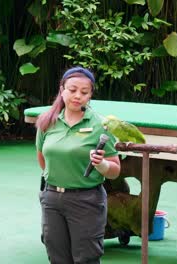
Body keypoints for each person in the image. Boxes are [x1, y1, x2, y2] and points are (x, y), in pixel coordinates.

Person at [35, 66, 121, 264]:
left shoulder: (100, 125)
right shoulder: (47, 122)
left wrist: (102, 166)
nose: (77, 96)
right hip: (52, 198)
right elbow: (42, 159)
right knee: (57, 256)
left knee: (86, 258)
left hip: (87, 200)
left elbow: (115, 170)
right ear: (62, 90)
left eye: (84, 92)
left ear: (90, 95)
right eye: (72, 90)